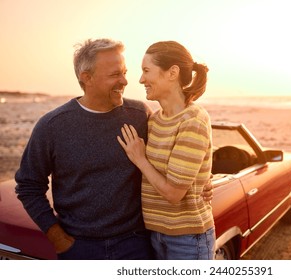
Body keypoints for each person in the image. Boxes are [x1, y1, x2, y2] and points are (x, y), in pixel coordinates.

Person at [14, 38, 155, 260]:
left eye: (125, 72)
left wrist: (199, 185)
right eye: (114, 74)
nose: (125, 81)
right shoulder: (52, 125)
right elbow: (28, 185)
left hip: (135, 245)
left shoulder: (140, 115)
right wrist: (57, 238)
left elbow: (166, 161)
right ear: (86, 78)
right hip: (79, 249)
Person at [117, 41, 215, 260]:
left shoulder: (193, 120)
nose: (141, 79)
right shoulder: (155, 121)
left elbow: (173, 194)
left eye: (146, 71)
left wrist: (140, 159)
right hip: (154, 234)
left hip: (187, 240)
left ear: (172, 73)